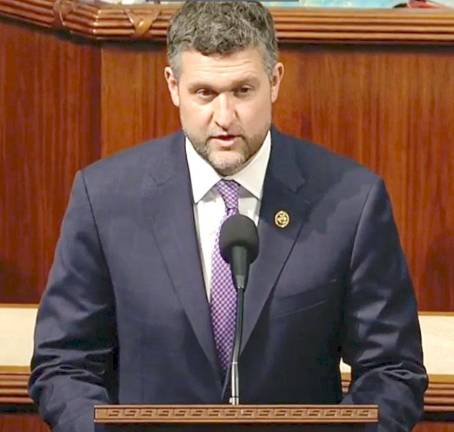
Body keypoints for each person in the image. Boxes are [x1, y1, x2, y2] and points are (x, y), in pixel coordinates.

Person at [29, 1, 427, 431]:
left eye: (242, 91)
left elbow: (392, 370)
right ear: (173, 86)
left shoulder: (351, 201)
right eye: (205, 93)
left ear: (274, 81)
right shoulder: (105, 198)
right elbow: (64, 363)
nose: (224, 117)